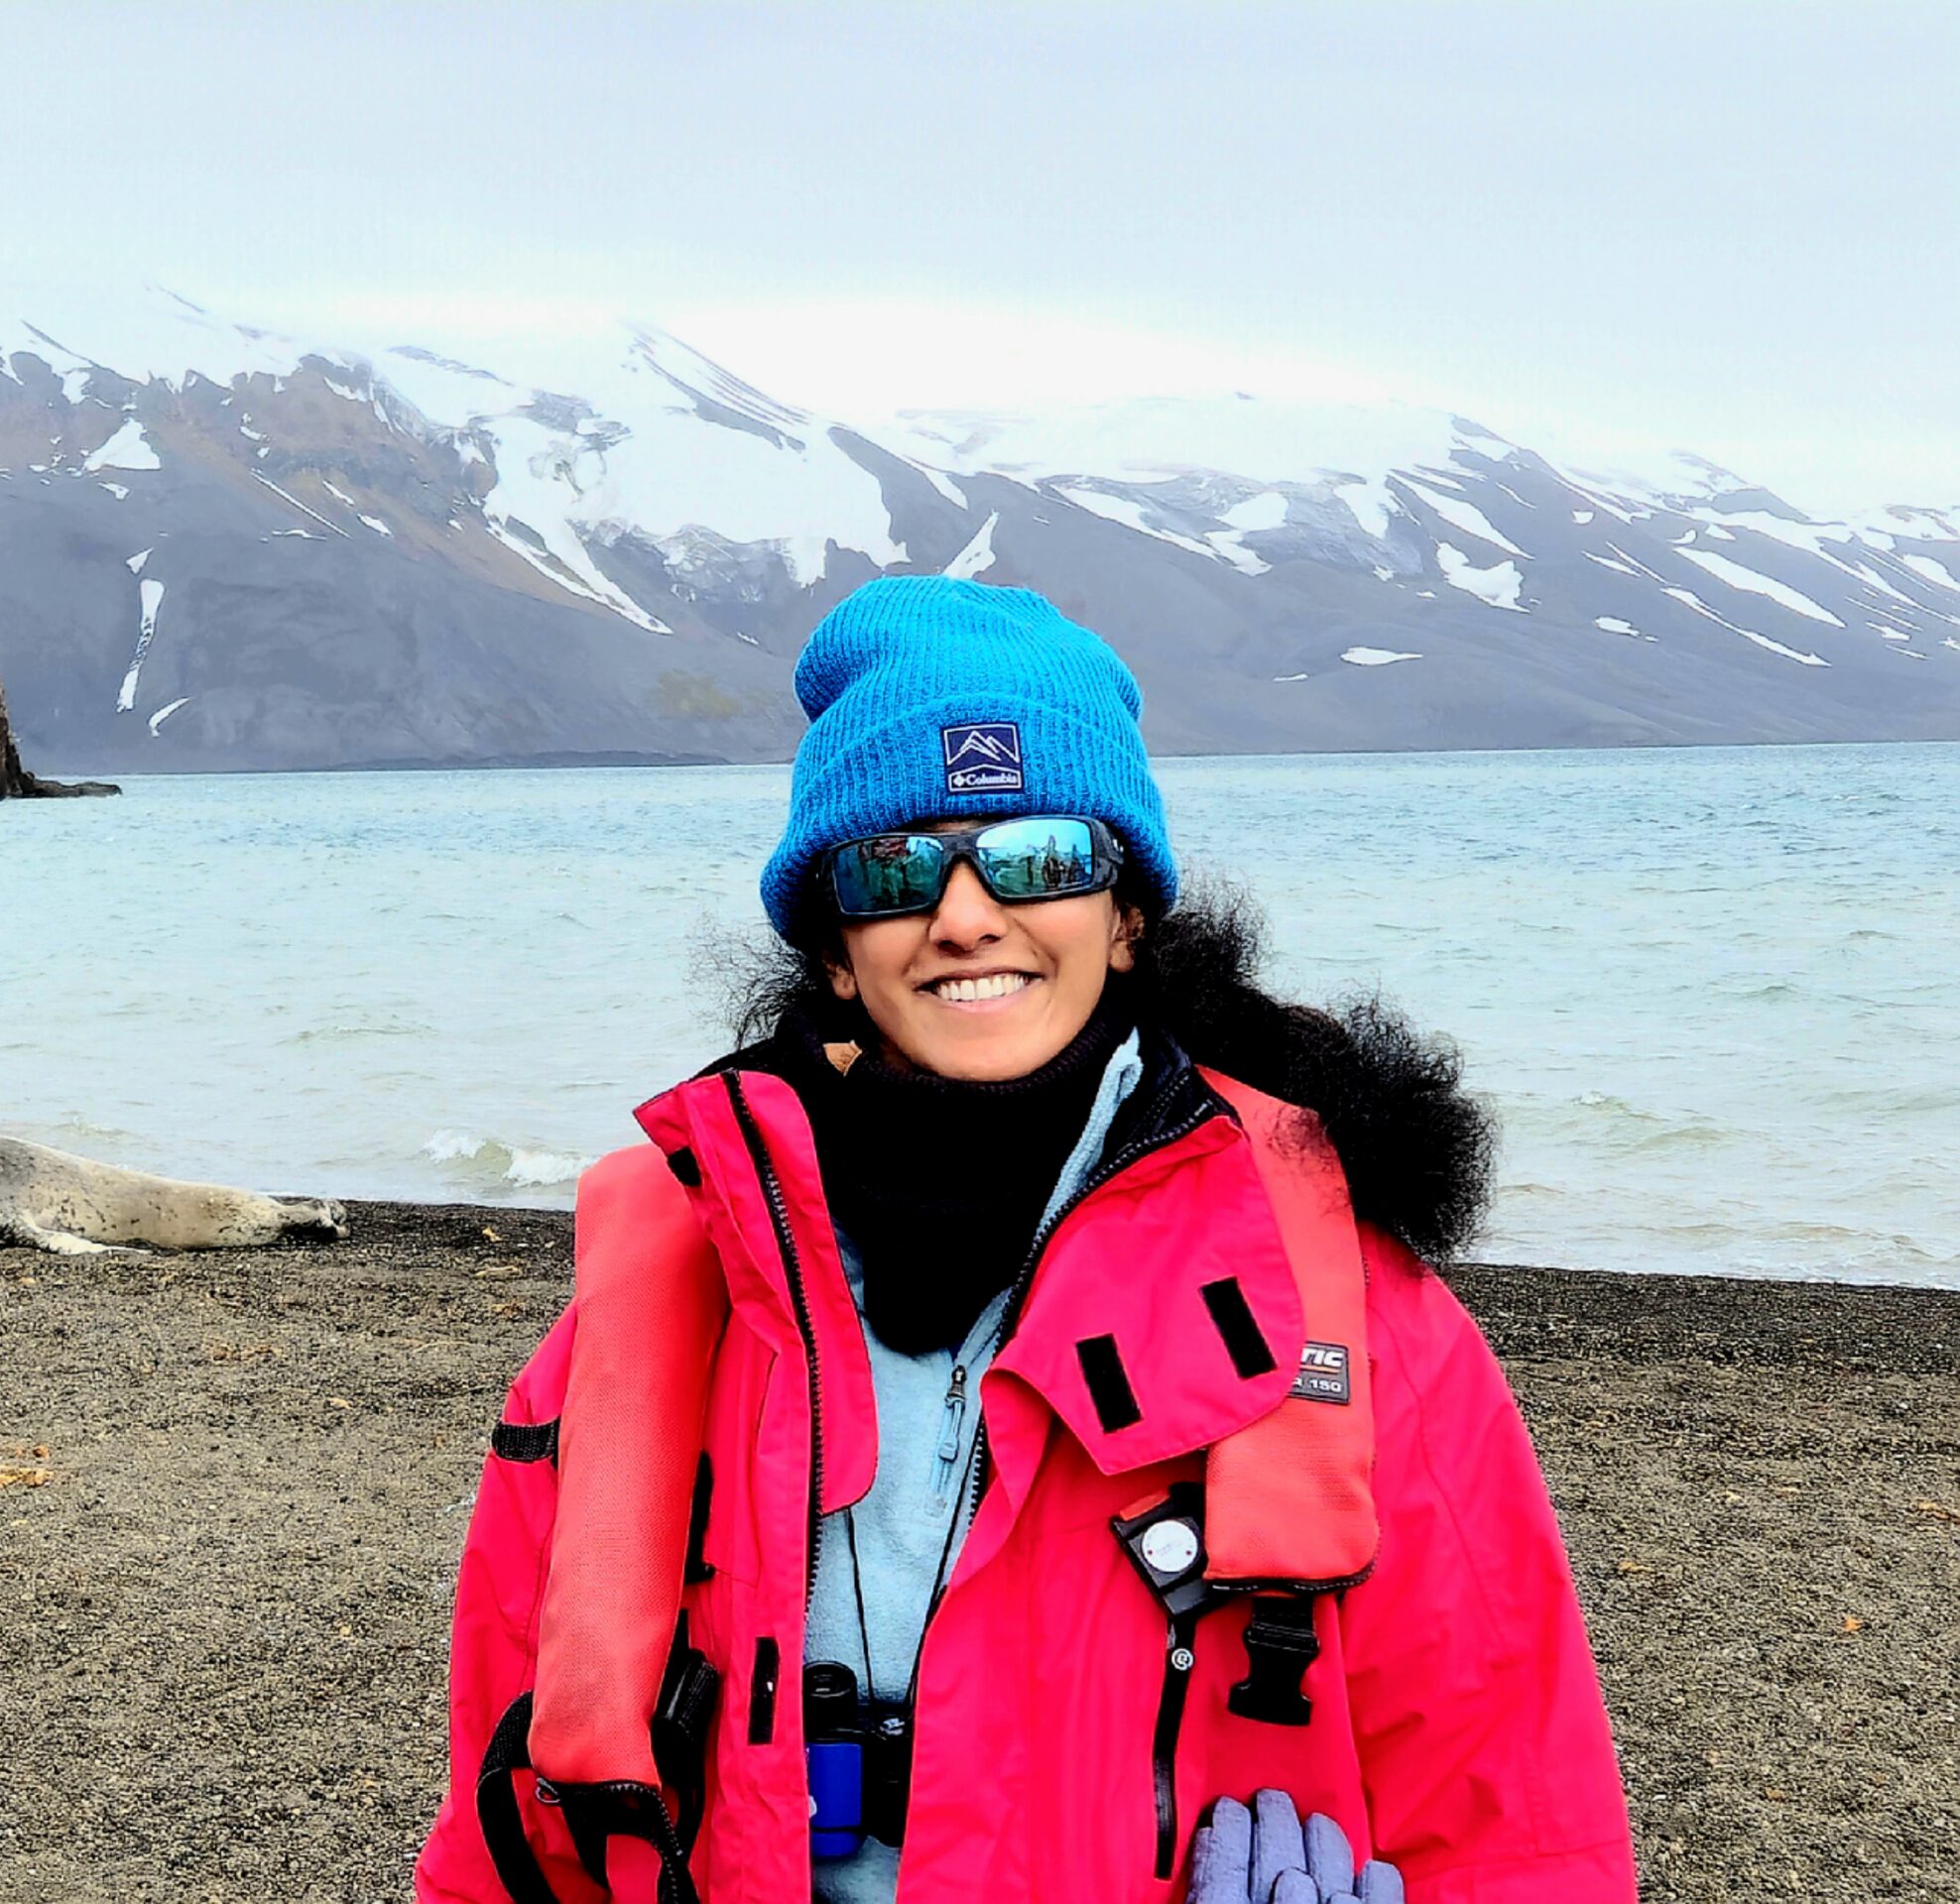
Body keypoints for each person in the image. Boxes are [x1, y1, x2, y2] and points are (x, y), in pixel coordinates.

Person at [416, 577, 1636, 1903]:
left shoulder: (1358, 1313)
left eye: (1038, 854)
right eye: (893, 865)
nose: (964, 913)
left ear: (1125, 917)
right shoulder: (661, 1307)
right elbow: (501, 1827)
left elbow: (1517, 1822)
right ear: (835, 948)